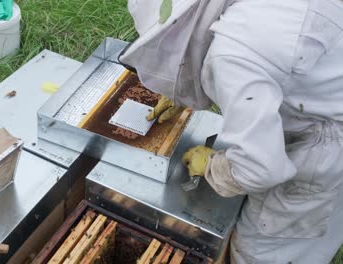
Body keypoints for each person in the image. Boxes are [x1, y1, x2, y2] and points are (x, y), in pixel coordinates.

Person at [119, 0, 343, 263]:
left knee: (261, 252)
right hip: (327, 99)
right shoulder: (257, 18)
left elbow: (259, 169)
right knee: (320, 232)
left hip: (324, 150)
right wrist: (179, 96)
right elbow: (272, 70)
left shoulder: (234, 52)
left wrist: (212, 165)